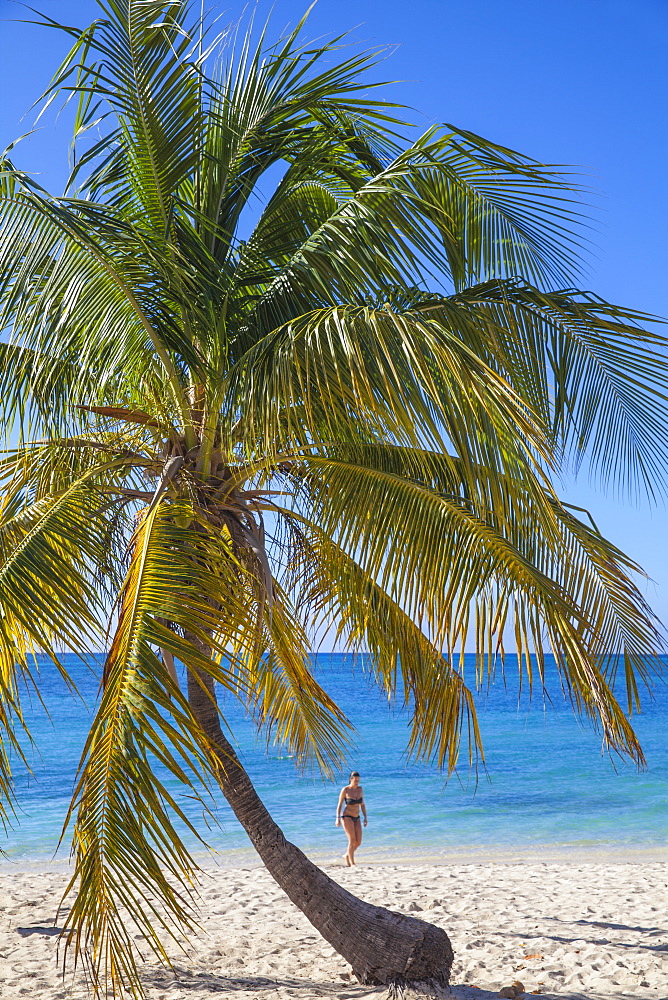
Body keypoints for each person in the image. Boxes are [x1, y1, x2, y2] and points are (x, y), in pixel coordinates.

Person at [335, 770, 367, 866]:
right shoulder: (345, 790)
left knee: (358, 842)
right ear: (350, 779)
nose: (357, 782)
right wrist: (337, 818)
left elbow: (362, 804)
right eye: (355, 780)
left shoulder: (360, 789)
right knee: (352, 840)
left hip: (357, 817)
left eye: (358, 780)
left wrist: (365, 817)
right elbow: (339, 805)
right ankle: (352, 863)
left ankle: (346, 855)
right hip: (347, 817)